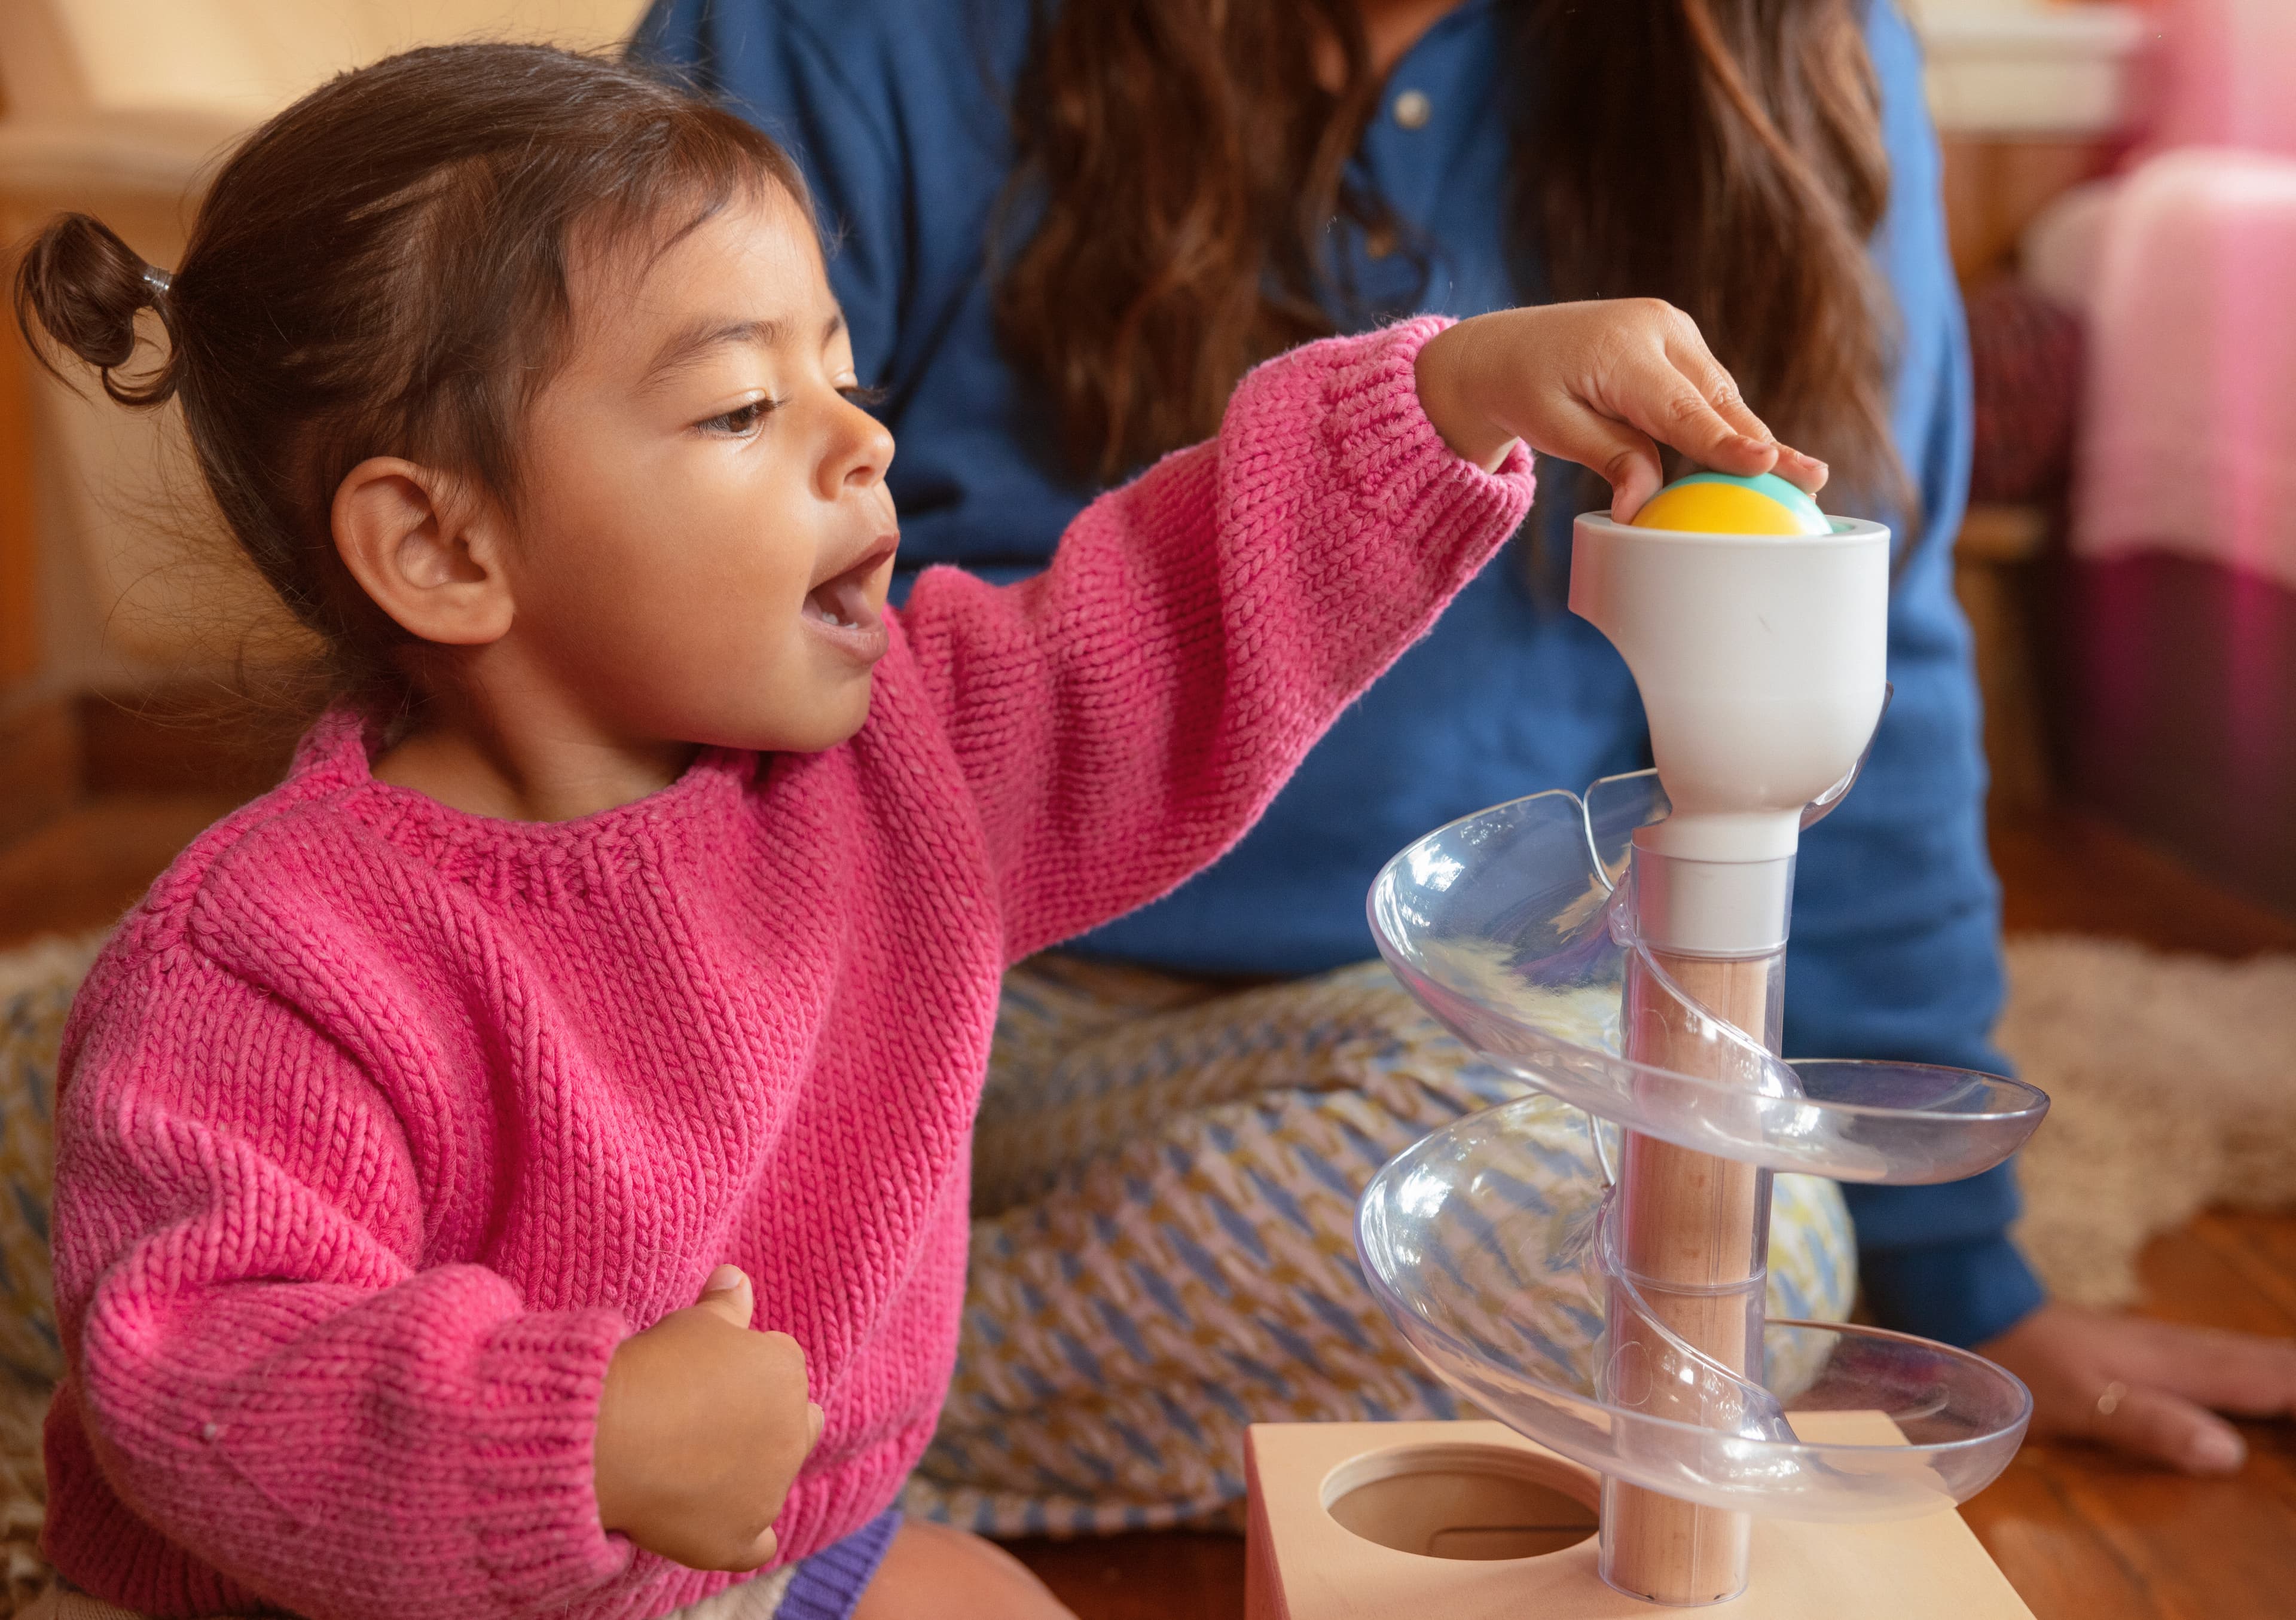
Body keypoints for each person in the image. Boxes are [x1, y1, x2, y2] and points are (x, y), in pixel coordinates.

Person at [14, 40, 1815, 1620]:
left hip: (737, 1557)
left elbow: (1175, 622)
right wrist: (578, 1436)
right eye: (740, 405)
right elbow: (207, 1371)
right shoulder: (269, 957)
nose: (859, 442)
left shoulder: (903, 763)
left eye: (842, 374)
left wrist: (1453, 396)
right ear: (444, 550)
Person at [634, 0, 2296, 1527]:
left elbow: (1851, 674)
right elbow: (601, 536)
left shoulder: (1793, 57)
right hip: (888, 978)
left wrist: (1960, 1277)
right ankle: (691, 1414)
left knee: (1708, 1247)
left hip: (1421, 1021)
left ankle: (773, 1428)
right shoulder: (845, 33)